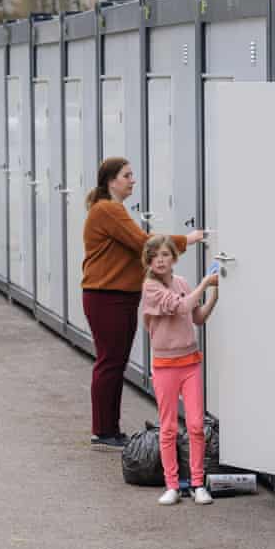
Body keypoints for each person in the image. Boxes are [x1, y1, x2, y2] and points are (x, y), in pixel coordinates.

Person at [81, 157, 203, 451]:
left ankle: (108, 430)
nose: (132, 180)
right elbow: (143, 244)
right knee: (110, 363)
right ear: (111, 181)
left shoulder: (110, 209)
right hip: (108, 296)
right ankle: (104, 432)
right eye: (127, 175)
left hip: (112, 296)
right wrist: (186, 239)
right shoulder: (108, 210)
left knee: (112, 362)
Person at [140, 235, 219, 505]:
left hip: (190, 363)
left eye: (165, 254)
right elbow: (180, 306)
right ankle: (172, 485)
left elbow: (197, 317)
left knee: (196, 425)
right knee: (169, 428)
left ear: (174, 257)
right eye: (155, 256)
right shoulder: (150, 288)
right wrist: (206, 283)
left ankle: (198, 483)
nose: (160, 260)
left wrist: (214, 295)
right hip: (164, 366)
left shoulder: (183, 283)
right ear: (149, 262)